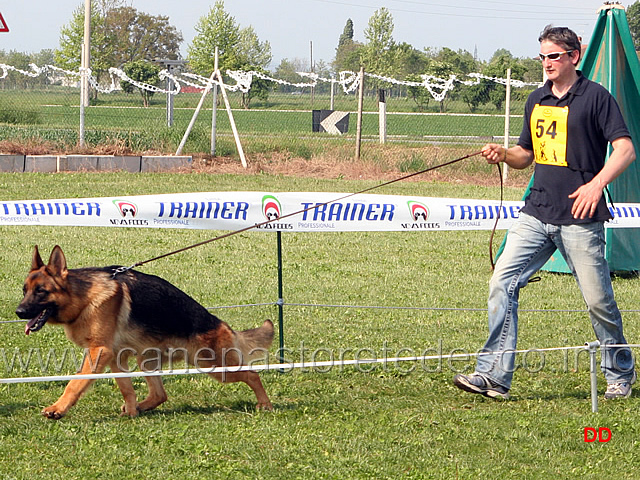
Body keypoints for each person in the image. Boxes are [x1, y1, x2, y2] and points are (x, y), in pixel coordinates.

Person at [453, 25, 636, 400]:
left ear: (574, 56)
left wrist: (596, 184)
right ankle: (493, 377)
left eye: (553, 56)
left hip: (581, 218)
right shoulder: (536, 100)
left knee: (598, 301)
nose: (547, 63)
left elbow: (625, 150)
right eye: (542, 56)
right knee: (502, 282)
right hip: (536, 212)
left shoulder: (597, 98)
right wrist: (504, 154)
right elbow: (526, 155)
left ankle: (619, 373)